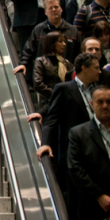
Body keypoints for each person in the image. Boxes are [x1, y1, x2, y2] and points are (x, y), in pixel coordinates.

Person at [37, 52, 102, 189]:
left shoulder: (98, 91)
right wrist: (46, 143)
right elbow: (52, 118)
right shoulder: (64, 89)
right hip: (72, 151)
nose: (100, 71)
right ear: (84, 68)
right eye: (96, 68)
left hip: (97, 150)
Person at [67, 86, 110, 220]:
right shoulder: (78, 133)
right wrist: (99, 196)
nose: (105, 105)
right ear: (92, 104)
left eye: (109, 101)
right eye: (100, 101)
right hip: (90, 204)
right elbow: (75, 168)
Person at [14, 0, 80, 83]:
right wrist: (23, 64)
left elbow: (79, 53)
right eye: (50, 8)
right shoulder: (38, 30)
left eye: (56, 7)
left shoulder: (72, 30)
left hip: (68, 76)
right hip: (45, 77)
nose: (54, 10)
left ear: (61, 9)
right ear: (45, 12)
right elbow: (28, 50)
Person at [33, 32, 74, 111]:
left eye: (64, 41)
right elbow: (38, 84)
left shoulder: (67, 63)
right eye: (60, 41)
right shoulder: (41, 61)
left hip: (67, 103)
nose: (64, 44)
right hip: (49, 103)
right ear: (51, 44)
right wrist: (56, 95)